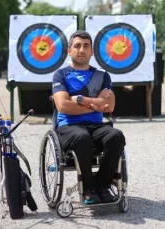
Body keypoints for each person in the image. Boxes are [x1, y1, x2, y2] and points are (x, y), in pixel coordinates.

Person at [52, 30, 126, 205]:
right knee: (82, 137)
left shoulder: (102, 76)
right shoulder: (60, 75)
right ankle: (88, 188)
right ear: (69, 50)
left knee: (116, 136)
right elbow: (62, 106)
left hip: (96, 126)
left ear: (92, 51)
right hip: (68, 127)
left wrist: (80, 101)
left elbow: (110, 106)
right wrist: (95, 104)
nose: (81, 50)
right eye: (77, 46)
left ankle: (102, 185)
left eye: (86, 46)